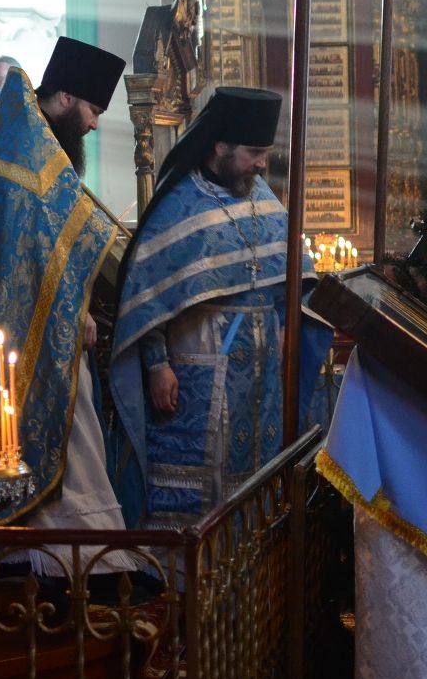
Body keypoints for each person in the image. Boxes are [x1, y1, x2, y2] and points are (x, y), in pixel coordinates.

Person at [107, 88, 335, 528]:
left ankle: (252, 557)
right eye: (254, 154)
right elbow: (146, 295)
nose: (262, 164)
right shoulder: (178, 204)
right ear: (220, 147)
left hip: (264, 375)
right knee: (199, 489)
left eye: (266, 153)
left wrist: (287, 322)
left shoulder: (260, 196)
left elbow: (293, 276)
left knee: (260, 475)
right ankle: (189, 562)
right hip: (200, 366)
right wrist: (157, 365)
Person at [0, 36, 136, 569]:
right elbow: (33, 251)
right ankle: (60, 558)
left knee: (78, 433)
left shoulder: (32, 146)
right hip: (27, 333)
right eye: (93, 109)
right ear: (65, 98)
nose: (94, 124)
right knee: (64, 432)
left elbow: (49, 247)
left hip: (47, 320)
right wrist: (74, 310)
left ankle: (72, 551)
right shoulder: (27, 153)